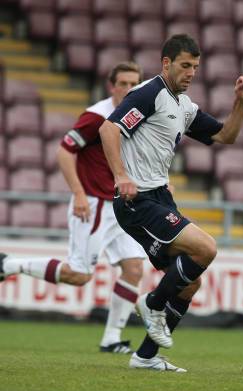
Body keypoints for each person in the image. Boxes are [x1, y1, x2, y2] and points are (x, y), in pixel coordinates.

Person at [99, 34, 243, 372]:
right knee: (206, 249)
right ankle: (152, 304)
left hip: (160, 198)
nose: (191, 73)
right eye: (185, 65)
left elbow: (225, 135)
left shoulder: (183, 106)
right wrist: (121, 175)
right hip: (136, 199)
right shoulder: (148, 93)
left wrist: (240, 101)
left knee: (190, 282)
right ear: (166, 63)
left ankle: (145, 356)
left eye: (196, 67)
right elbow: (109, 130)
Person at [0, 62, 147, 354]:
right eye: (123, 84)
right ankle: (8, 264)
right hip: (93, 204)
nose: (129, 89)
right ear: (111, 86)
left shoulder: (136, 115)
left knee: (133, 269)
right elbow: (65, 152)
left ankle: (112, 339)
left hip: (122, 207)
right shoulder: (97, 116)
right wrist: (78, 193)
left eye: (134, 84)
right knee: (79, 275)